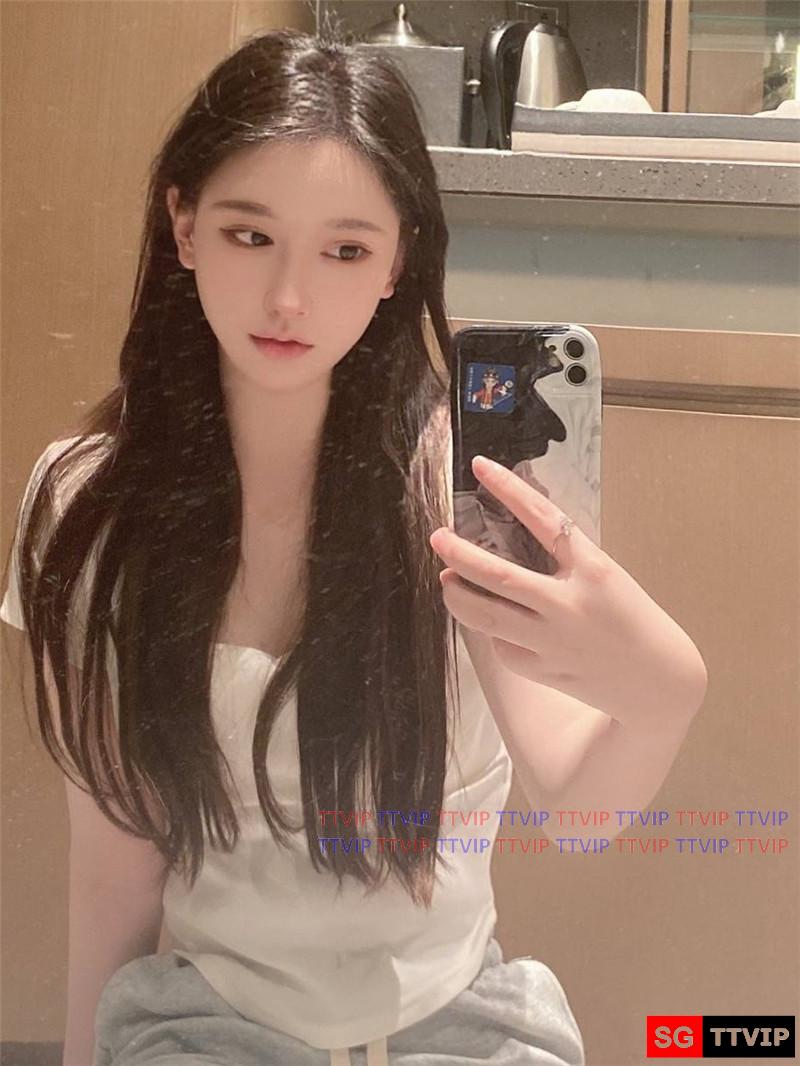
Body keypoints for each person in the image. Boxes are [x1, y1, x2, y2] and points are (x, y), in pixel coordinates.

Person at [0, 26, 708, 1066]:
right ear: (184, 226)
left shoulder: (461, 487)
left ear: (394, 265)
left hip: (461, 1027)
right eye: (250, 235)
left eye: (345, 250)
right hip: (206, 1028)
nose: (290, 298)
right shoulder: (90, 502)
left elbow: (577, 807)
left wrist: (664, 690)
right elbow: (116, 866)